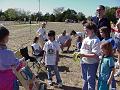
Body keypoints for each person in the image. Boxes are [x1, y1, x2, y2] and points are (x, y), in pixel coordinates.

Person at [78, 22, 101, 90]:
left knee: (90, 80)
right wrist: (78, 54)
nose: (85, 32)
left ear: (92, 30)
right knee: (85, 79)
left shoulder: (96, 40)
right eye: (85, 30)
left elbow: (95, 55)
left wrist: (83, 55)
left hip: (92, 64)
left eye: (87, 30)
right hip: (83, 62)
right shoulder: (85, 39)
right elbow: (82, 50)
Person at [113, 8, 120, 77]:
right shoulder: (119, 20)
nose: (115, 14)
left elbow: (119, 30)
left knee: (119, 52)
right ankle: (118, 62)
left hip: (119, 38)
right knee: (118, 51)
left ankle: (119, 70)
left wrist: (113, 27)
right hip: (117, 37)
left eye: (116, 13)